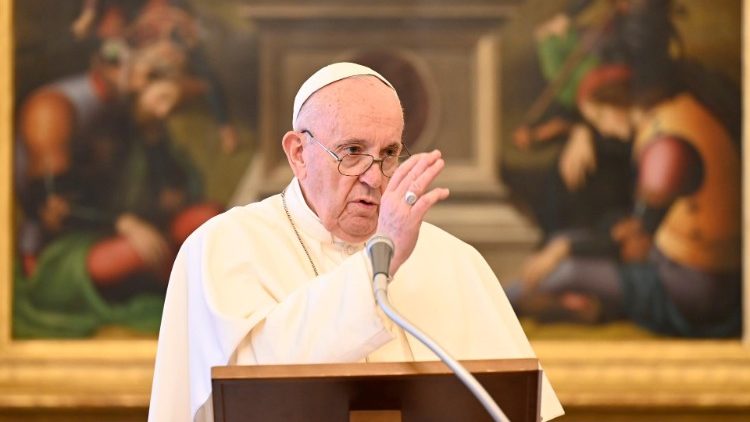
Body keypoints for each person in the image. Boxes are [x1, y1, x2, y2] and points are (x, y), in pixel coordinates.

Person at [148, 62, 564, 421]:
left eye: (388, 153)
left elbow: (515, 408)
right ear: (297, 153)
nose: (373, 176)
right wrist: (380, 261)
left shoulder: (456, 261)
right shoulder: (225, 247)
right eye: (352, 150)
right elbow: (258, 386)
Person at [506, 63, 741, 337]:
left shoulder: (665, 147)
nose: (603, 130)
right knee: (566, 256)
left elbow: (635, 243)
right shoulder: (675, 113)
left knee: (568, 271)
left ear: (617, 102)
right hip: (684, 269)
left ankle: (493, 302)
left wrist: (564, 248)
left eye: (600, 118)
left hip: (694, 288)